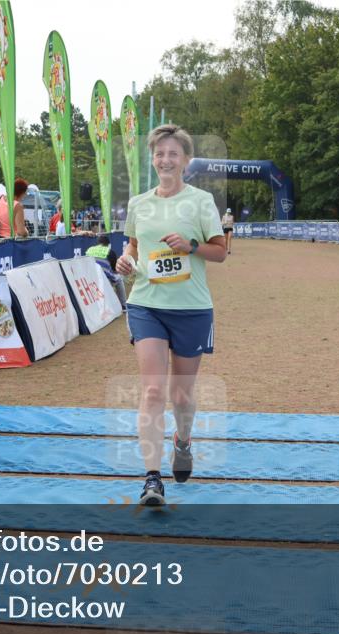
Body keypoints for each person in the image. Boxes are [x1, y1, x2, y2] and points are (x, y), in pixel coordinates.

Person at [115, 124, 227, 506]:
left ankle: (183, 442)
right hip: (146, 303)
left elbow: (220, 250)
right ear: (152, 159)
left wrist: (190, 245)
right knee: (152, 390)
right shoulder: (138, 204)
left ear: (185, 161)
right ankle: (151, 479)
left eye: (173, 154)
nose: (165, 160)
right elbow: (132, 247)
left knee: (181, 394)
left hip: (192, 308)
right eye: (160, 154)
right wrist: (125, 262)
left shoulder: (200, 201)